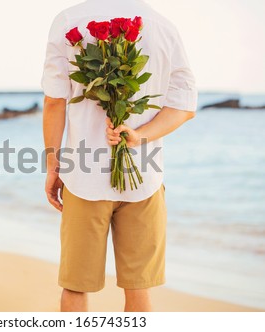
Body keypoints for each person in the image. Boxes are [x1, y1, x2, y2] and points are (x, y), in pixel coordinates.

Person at [42, 0, 197, 311]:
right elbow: (184, 106)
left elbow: (54, 103)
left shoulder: (68, 19)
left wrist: (53, 165)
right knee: (138, 288)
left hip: (83, 177)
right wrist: (140, 136)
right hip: (145, 179)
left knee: (75, 286)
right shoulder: (163, 26)